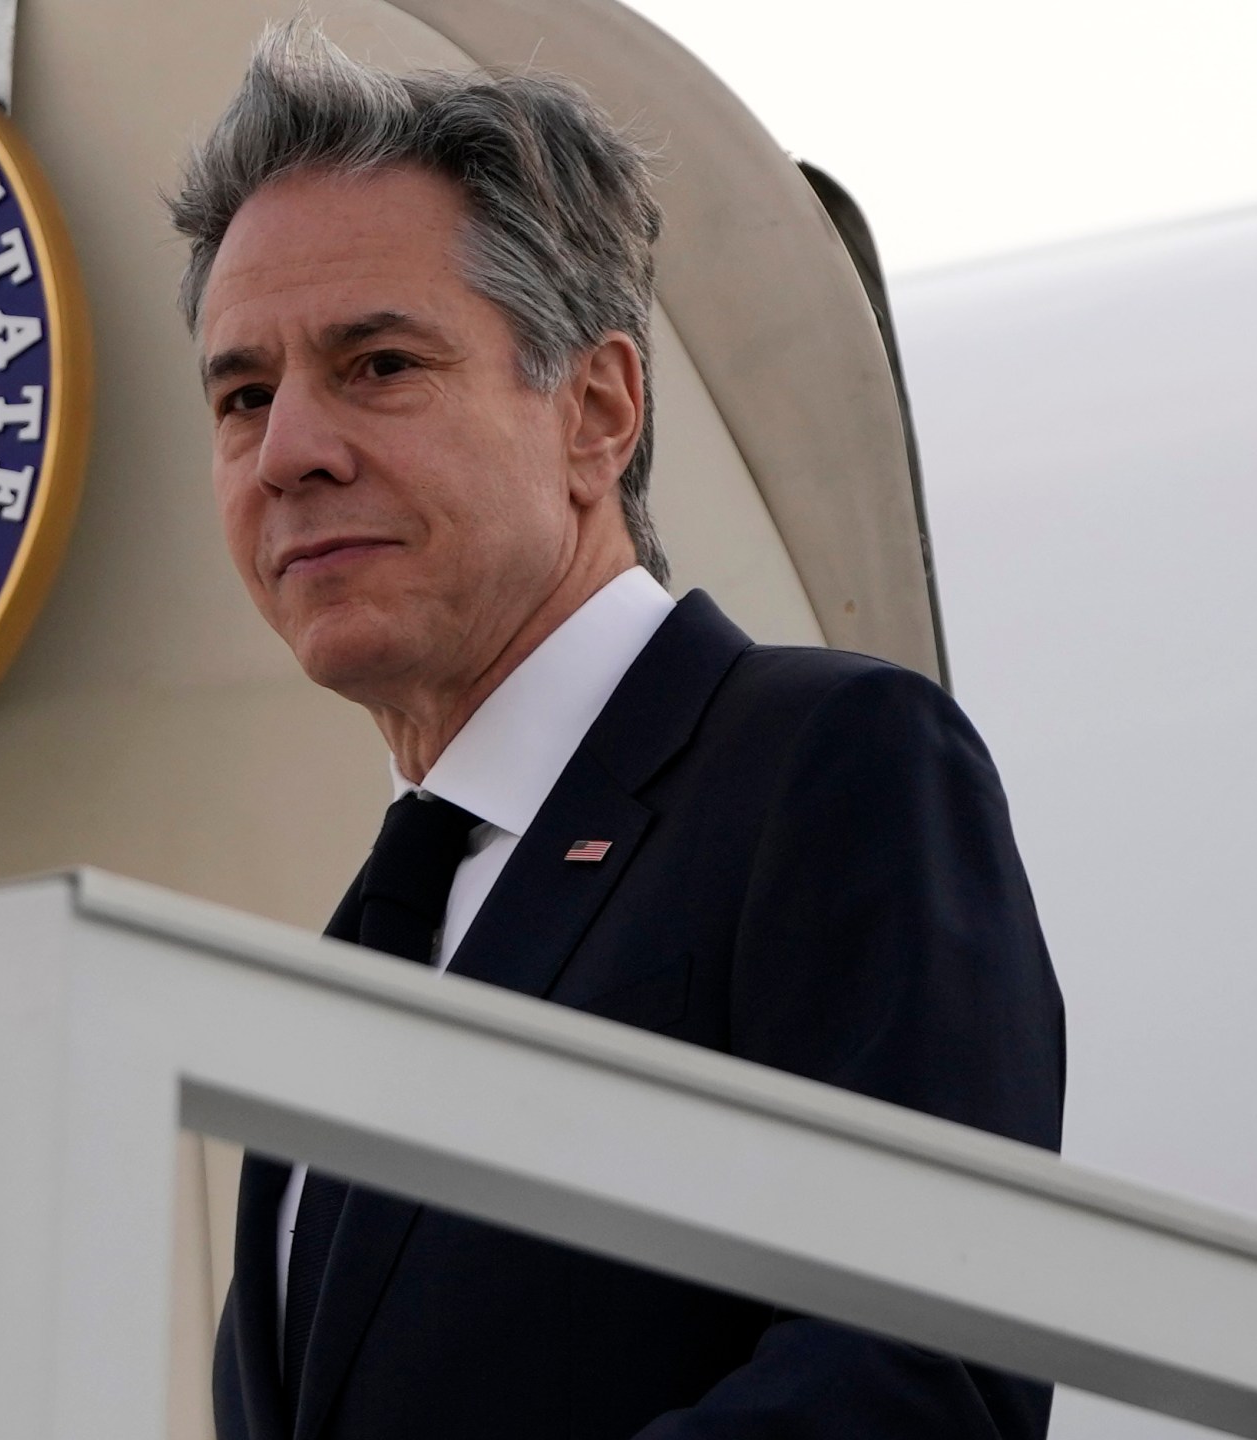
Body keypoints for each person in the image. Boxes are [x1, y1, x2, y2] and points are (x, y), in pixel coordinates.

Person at [168, 23, 1065, 1440]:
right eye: (243, 396)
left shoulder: (827, 769)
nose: (291, 452)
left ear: (597, 410)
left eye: (380, 365)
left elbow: (920, 1374)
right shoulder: (358, 962)